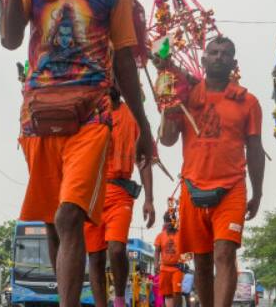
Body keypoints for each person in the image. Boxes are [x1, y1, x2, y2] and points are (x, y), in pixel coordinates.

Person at [1, 0, 156, 307]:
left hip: (92, 115)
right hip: (39, 115)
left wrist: (142, 126)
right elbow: (11, 39)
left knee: (69, 216)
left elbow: (125, 57)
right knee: (54, 223)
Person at [160, 37, 265, 307]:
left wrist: (258, 193)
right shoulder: (185, 97)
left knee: (224, 254)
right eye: (214, 52)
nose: (219, 57)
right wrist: (168, 112)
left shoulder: (248, 102)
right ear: (204, 59)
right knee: (202, 262)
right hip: (193, 187)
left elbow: (255, 149)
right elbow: (167, 140)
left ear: (234, 63)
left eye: (226, 53)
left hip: (231, 188)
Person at [85, 87, 156, 307]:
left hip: (120, 194)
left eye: (117, 77)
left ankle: (118, 300)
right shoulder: (89, 112)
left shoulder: (133, 116)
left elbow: (143, 160)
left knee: (116, 249)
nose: (112, 83)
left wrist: (149, 199)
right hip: (91, 194)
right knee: (95, 256)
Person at [155, 215, 184, 307]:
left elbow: (188, 250)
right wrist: (156, 264)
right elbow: (157, 250)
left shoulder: (181, 235)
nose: (169, 223)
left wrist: (184, 261)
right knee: (167, 294)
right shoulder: (160, 236)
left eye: (171, 221)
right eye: (167, 221)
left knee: (177, 292)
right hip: (164, 268)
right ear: (164, 223)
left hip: (177, 268)